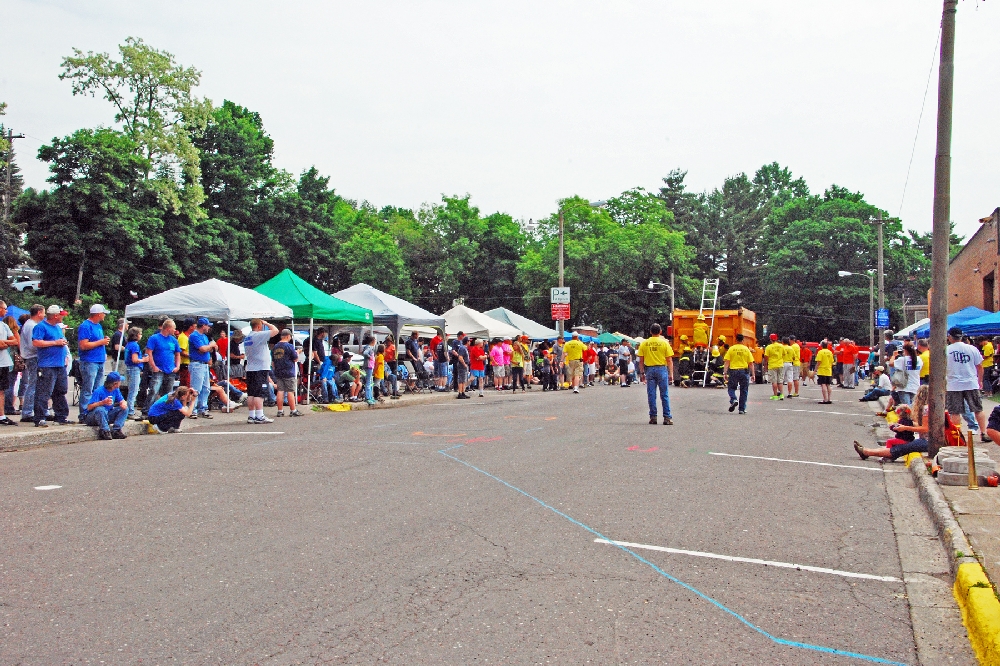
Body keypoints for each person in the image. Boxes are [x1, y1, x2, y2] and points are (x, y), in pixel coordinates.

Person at [855, 386, 930, 461]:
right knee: (900, 445)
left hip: (927, 441)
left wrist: (905, 427)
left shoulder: (926, 409)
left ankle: (867, 452)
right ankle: (867, 451)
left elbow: (925, 428)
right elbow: (920, 425)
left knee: (901, 448)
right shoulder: (926, 408)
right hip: (925, 440)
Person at [945, 326, 988, 442]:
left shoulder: (947, 350)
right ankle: (983, 432)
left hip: (953, 384)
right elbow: (979, 366)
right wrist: (980, 380)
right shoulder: (972, 349)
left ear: (949, 337)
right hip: (970, 382)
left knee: (955, 411)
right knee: (978, 408)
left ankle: (957, 435)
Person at [32, 304, 73, 427]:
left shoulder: (58, 328)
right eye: (61, 315)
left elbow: (61, 340)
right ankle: (39, 417)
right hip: (47, 365)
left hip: (60, 364)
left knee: (60, 390)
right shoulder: (41, 327)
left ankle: (61, 416)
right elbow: (36, 342)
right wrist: (55, 342)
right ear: (55, 315)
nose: (62, 317)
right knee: (44, 391)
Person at [77, 304, 111, 421]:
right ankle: (84, 414)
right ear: (98, 314)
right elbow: (83, 345)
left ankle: (95, 412)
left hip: (99, 361)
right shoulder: (86, 326)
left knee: (97, 389)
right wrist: (101, 342)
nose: (105, 315)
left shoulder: (98, 326)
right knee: (88, 388)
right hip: (89, 361)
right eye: (103, 313)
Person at [637, 323, 673, 425]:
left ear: (650, 332)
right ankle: (667, 417)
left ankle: (653, 417)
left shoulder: (644, 343)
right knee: (664, 394)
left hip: (649, 370)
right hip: (662, 369)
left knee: (651, 394)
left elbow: (641, 360)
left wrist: (642, 372)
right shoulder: (665, 343)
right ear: (660, 331)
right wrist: (671, 374)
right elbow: (669, 360)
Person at [244, 318, 279, 424]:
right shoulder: (258, 335)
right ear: (259, 326)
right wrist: (267, 323)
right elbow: (275, 331)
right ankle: (260, 415)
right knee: (259, 393)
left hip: (251, 367)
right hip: (260, 368)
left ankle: (252, 415)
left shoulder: (248, 337)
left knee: (251, 393)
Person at [145, 319, 182, 407]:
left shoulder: (173, 340)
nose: (175, 330)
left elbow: (177, 354)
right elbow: (149, 352)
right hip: (159, 369)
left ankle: (164, 410)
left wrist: (177, 366)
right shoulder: (154, 338)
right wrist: (153, 366)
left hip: (170, 370)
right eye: (174, 328)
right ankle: (147, 411)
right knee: (154, 390)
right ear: (168, 328)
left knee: (168, 393)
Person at [82, 372, 128, 439]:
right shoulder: (99, 391)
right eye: (119, 381)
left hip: (107, 414)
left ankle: (116, 430)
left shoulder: (116, 390)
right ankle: (105, 431)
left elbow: (122, 400)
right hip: (93, 417)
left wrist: (123, 403)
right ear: (115, 383)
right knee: (100, 409)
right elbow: (89, 407)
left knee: (125, 409)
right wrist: (102, 402)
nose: (120, 382)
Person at [18, 304, 44, 424]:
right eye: (43, 313)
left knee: (36, 384)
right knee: (33, 384)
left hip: (32, 357)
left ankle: (32, 410)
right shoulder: (31, 326)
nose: (44, 315)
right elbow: (32, 344)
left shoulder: (30, 324)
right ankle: (27, 412)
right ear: (39, 313)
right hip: (33, 357)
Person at [187, 318, 217, 419]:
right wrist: (210, 346)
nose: (209, 327)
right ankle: (192, 410)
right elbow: (202, 349)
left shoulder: (204, 336)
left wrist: (209, 347)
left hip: (204, 364)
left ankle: (203, 408)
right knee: (196, 388)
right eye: (207, 325)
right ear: (203, 325)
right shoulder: (194, 335)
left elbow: (208, 349)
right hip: (197, 364)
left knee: (206, 388)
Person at [723, 333, 754, 414]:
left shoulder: (731, 349)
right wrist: (753, 374)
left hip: (733, 371)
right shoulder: (746, 349)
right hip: (744, 371)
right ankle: (742, 409)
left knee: (731, 388)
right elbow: (751, 363)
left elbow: (727, 362)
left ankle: (733, 399)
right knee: (744, 390)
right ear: (743, 340)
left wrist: (725, 373)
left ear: (736, 340)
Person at [272, 328, 301, 417]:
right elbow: (295, 358)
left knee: (280, 391)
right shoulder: (289, 346)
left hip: (278, 371)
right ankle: (293, 410)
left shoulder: (275, 346)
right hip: (288, 371)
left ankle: (280, 411)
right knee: (290, 391)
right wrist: (298, 352)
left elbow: (273, 362)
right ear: (288, 336)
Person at [123, 327, 149, 418]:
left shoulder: (128, 344)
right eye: (140, 334)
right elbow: (135, 359)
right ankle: (130, 411)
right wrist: (144, 359)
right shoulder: (135, 345)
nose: (141, 335)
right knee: (133, 391)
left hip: (129, 368)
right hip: (134, 368)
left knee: (131, 390)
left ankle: (129, 410)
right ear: (136, 335)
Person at [0, 302, 17, 426]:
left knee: (2, 390)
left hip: (4, 362)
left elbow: (15, 340)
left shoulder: (3, 325)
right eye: (5, 309)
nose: (6, 311)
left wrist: (3, 341)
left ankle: (2, 415)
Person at [891, 340, 922, 406]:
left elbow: (891, 363)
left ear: (905, 350)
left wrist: (894, 355)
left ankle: (907, 416)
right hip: (915, 386)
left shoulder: (902, 359)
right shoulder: (919, 359)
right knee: (913, 407)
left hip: (904, 386)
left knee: (906, 407)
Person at [764, 334, 785, 400]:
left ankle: (775, 395)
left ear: (770, 339)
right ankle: (781, 394)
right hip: (780, 364)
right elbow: (784, 354)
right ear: (776, 339)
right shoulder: (781, 346)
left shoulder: (769, 347)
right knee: (780, 381)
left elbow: (766, 357)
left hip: (772, 365)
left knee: (774, 381)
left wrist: (765, 366)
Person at [814, 339, 835, 405]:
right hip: (828, 370)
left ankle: (825, 399)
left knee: (823, 384)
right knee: (828, 384)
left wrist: (815, 370)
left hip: (822, 370)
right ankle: (829, 399)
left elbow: (818, 362)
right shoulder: (830, 352)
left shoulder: (820, 352)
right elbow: (832, 362)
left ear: (822, 345)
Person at [176, 318, 195, 387]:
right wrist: (193, 356)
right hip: (184, 365)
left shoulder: (188, 337)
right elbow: (181, 351)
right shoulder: (183, 337)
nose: (195, 328)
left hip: (189, 365)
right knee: (186, 385)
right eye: (194, 326)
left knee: (189, 384)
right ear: (190, 327)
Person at [361, 333, 377, 405]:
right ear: (372, 341)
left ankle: (370, 397)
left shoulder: (368, 347)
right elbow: (365, 353)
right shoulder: (369, 347)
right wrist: (370, 357)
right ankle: (368, 397)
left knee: (370, 382)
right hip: (369, 366)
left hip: (370, 366)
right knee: (368, 382)